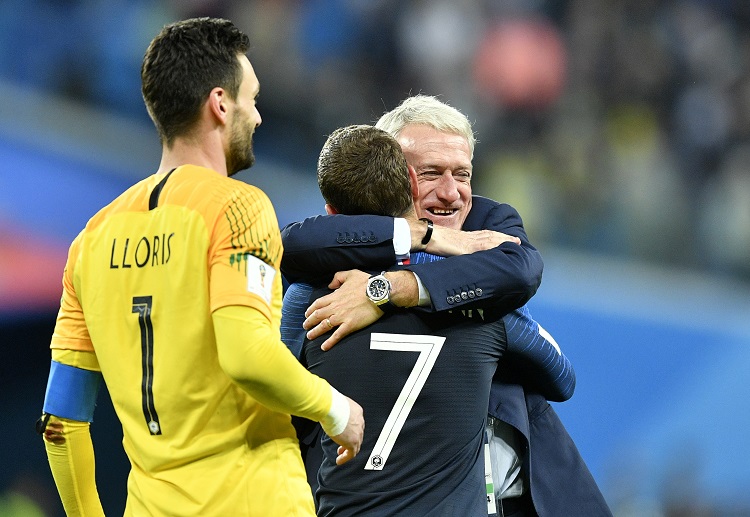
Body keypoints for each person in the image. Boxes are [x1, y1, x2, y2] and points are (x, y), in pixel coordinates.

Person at [36, 18, 364, 517]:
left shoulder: (89, 241)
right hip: (252, 500)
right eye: (251, 99)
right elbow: (247, 355)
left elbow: (60, 420)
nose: (257, 117)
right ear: (219, 104)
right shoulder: (238, 208)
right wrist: (336, 409)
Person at [281, 96, 612, 516]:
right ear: (391, 175)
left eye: (463, 174)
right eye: (431, 173)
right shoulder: (328, 265)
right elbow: (291, 244)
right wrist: (426, 242)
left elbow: (523, 269)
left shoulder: (488, 224)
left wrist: (389, 289)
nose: (451, 192)